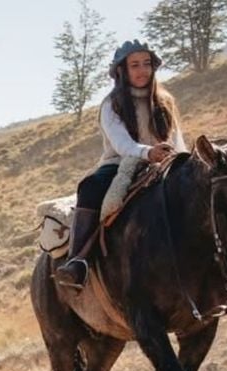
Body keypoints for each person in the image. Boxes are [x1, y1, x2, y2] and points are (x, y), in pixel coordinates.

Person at [54, 39, 187, 290]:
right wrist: (149, 152)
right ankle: (78, 261)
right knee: (90, 188)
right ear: (122, 71)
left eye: (146, 64)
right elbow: (122, 144)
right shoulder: (111, 104)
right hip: (119, 164)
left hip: (164, 162)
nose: (142, 70)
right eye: (134, 65)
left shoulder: (165, 100)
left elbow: (178, 140)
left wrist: (184, 161)